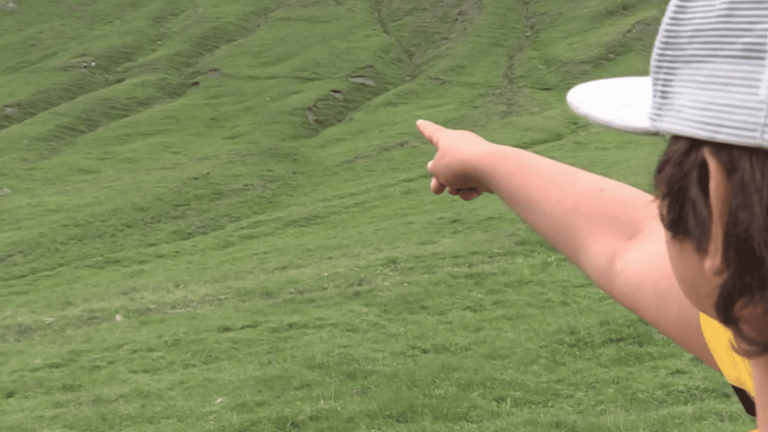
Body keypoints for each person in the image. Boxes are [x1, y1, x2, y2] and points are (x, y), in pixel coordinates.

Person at [418, 0, 768, 430]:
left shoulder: (751, 318)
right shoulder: (752, 318)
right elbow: (629, 242)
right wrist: (486, 160)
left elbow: (636, 243)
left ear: (718, 198)